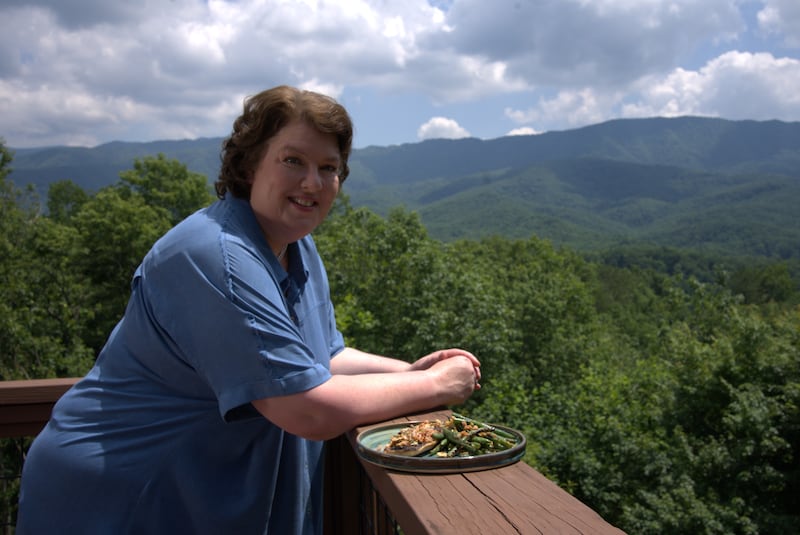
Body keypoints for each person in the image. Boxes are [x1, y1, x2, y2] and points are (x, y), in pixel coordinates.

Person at [16, 85, 480, 534]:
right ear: (250, 163)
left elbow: (324, 356)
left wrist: (406, 370)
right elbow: (307, 410)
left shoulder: (295, 247)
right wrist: (434, 384)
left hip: (191, 493)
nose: (312, 182)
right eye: (293, 160)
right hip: (124, 497)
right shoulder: (216, 256)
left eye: (328, 167)